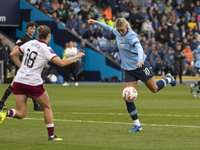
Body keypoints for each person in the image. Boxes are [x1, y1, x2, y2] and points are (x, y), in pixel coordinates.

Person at [88, 18, 176, 132]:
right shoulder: (117, 32)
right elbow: (109, 28)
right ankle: (137, 125)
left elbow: (139, 48)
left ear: (126, 27)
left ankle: (168, 79)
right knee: (127, 96)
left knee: (154, 89)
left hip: (141, 66)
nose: (120, 32)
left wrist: (140, 60)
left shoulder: (131, 36)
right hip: (128, 69)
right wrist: (96, 22)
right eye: (118, 30)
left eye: (122, 30)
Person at [0, 25, 85, 141]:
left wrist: (21, 67)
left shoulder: (29, 43)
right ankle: (51, 136)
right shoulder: (46, 48)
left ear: (37, 35)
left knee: (21, 113)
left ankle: (5, 112)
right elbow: (61, 63)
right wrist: (77, 56)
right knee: (46, 107)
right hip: (33, 82)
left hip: (19, 80)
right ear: (48, 36)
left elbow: (12, 54)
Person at [0, 22, 42, 111]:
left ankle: (35, 105)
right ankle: (1, 102)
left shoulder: (34, 40)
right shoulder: (22, 39)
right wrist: (20, 64)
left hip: (30, 67)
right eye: (31, 28)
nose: (32, 30)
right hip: (23, 66)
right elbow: (14, 51)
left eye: (34, 29)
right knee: (14, 83)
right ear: (27, 29)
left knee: (31, 83)